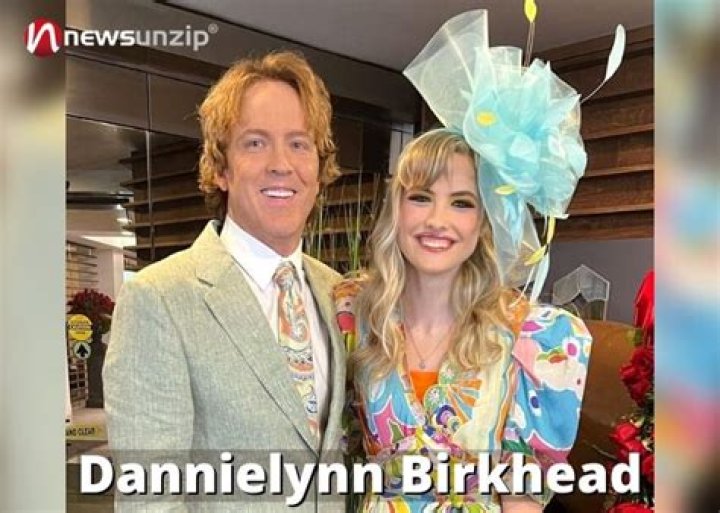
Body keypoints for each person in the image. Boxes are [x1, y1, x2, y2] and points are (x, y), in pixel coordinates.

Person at [104, 51, 346, 512]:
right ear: (220, 168)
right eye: (255, 143)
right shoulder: (158, 299)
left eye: (299, 144)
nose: (282, 164)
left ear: (319, 169)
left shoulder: (339, 293)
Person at [336, 128, 592, 513]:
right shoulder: (356, 316)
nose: (437, 220)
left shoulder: (530, 338)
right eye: (421, 197)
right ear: (396, 208)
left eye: (461, 203)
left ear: (484, 220)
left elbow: (521, 501)